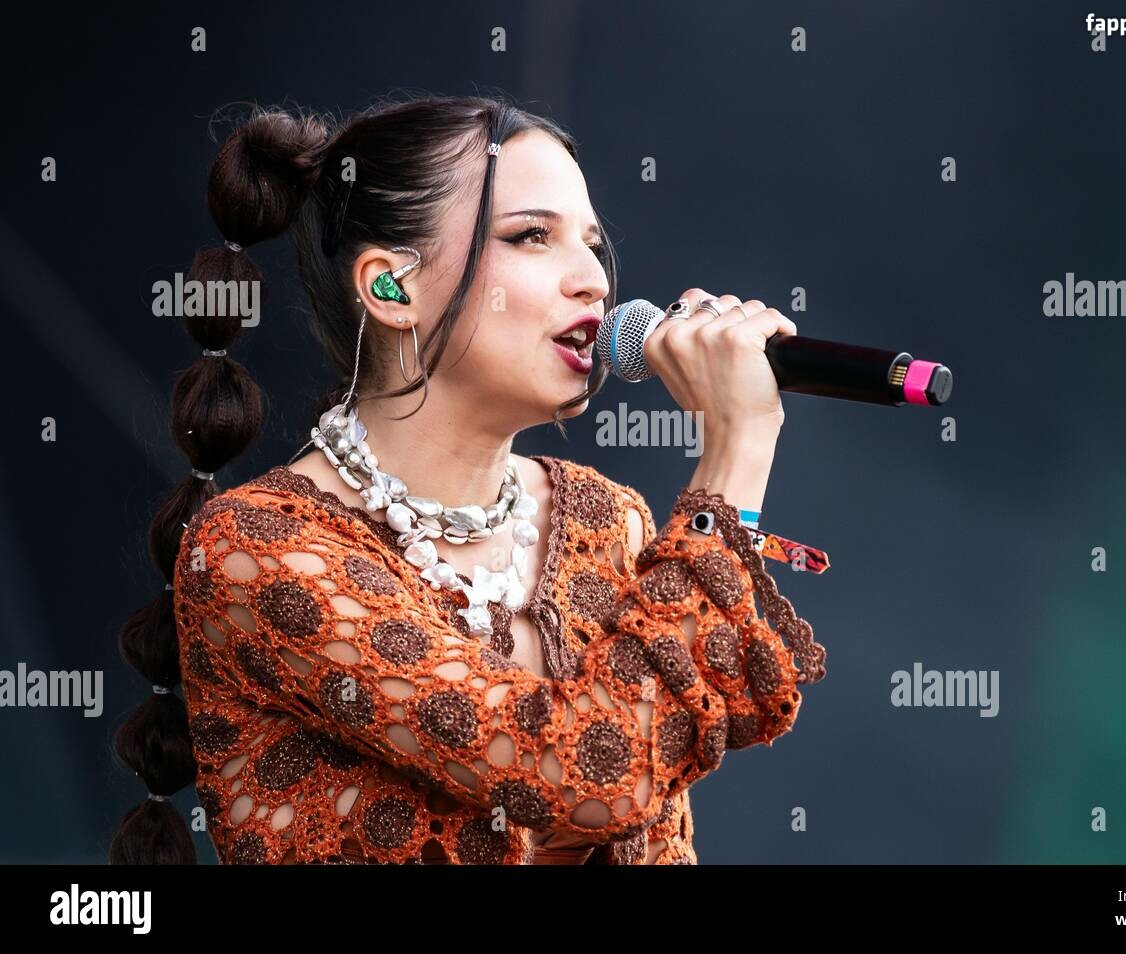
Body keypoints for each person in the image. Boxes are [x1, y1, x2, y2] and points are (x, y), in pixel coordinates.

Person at [110, 94, 828, 865]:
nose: (593, 281)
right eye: (532, 236)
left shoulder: (605, 522)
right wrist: (736, 444)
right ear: (391, 287)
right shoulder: (259, 550)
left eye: (592, 245)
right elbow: (587, 775)